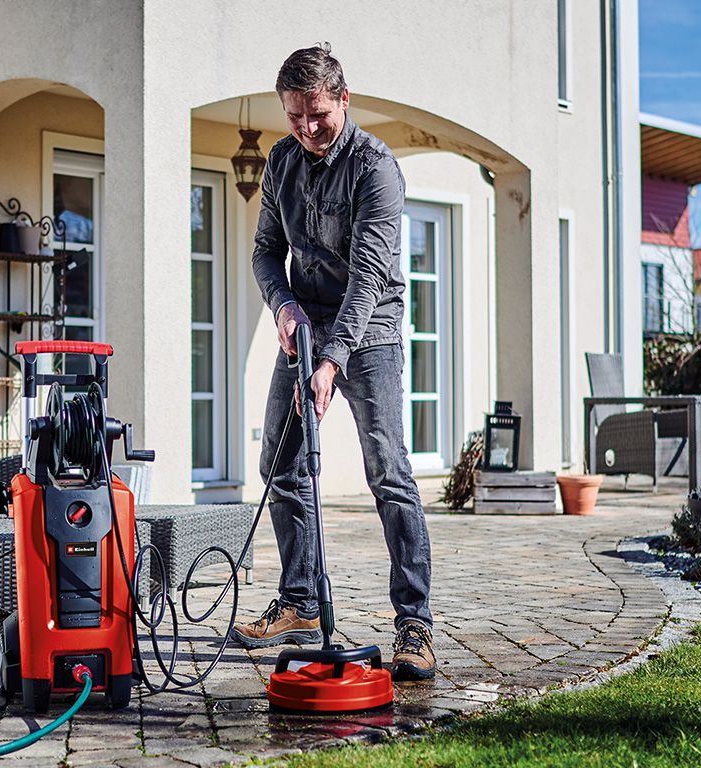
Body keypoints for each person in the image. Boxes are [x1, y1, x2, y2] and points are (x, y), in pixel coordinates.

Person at [230, 44, 435, 680]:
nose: (307, 129)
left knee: (388, 470)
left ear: (342, 101)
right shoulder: (282, 162)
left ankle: (415, 625)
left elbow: (370, 276)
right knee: (280, 463)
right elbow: (266, 253)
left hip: (368, 330)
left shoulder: (376, 168)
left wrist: (333, 359)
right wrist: (284, 306)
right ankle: (299, 602)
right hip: (305, 330)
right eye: (294, 117)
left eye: (317, 115)